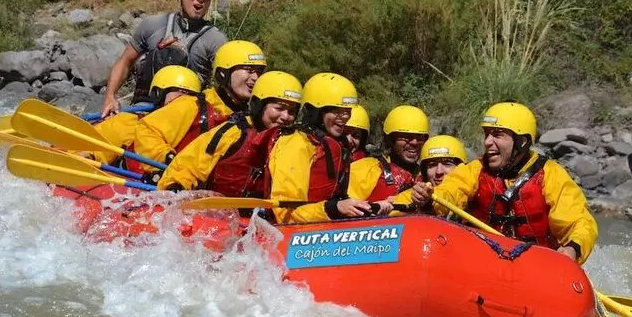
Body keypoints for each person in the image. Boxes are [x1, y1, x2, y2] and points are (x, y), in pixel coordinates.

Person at [405, 102, 598, 265]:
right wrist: (429, 199)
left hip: (536, 268)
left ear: (521, 141)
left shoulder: (550, 174)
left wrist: (573, 248)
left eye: (497, 135)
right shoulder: (475, 170)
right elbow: (450, 191)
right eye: (487, 134)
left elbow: (580, 223)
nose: (488, 142)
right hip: (482, 263)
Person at [262, 72, 392, 223]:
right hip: (290, 234)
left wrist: (370, 207)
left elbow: (336, 202)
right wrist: (333, 208)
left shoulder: (336, 145)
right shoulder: (296, 144)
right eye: (336, 110)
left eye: (347, 110)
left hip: (321, 229)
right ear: (316, 112)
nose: (344, 117)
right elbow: (284, 213)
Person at [100, 0, 227, 117]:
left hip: (183, 118)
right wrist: (109, 97)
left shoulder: (216, 39)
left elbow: (226, 86)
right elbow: (125, 61)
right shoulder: (153, 25)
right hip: (142, 109)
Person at [128, 40, 266, 175]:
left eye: (259, 72)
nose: (256, 78)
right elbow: (147, 130)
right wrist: (168, 160)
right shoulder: (192, 105)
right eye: (249, 70)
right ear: (223, 72)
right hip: (169, 182)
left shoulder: (253, 119)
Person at [156, 71, 303, 198]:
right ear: (259, 105)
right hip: (218, 214)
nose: (285, 117)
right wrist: (175, 187)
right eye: (279, 108)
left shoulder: (294, 142)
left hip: (263, 217)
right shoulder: (232, 132)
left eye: (291, 112)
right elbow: (189, 165)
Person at [88, 65, 201, 166]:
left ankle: (86, 155)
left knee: (125, 122)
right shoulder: (202, 123)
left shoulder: (132, 122)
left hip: (144, 178)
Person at [347, 105, 429, 203]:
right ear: (390, 139)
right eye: (406, 136)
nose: (414, 142)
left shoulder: (428, 174)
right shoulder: (364, 169)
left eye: (420, 137)